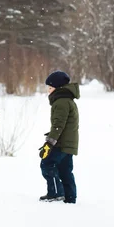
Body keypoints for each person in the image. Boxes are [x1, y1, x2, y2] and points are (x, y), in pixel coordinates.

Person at [38, 70, 79, 204]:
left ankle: (55, 193)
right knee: (65, 170)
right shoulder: (68, 100)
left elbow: (58, 125)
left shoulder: (60, 102)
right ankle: (70, 197)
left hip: (61, 144)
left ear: (58, 88)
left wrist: (49, 143)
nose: (48, 91)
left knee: (47, 164)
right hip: (69, 144)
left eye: (50, 88)